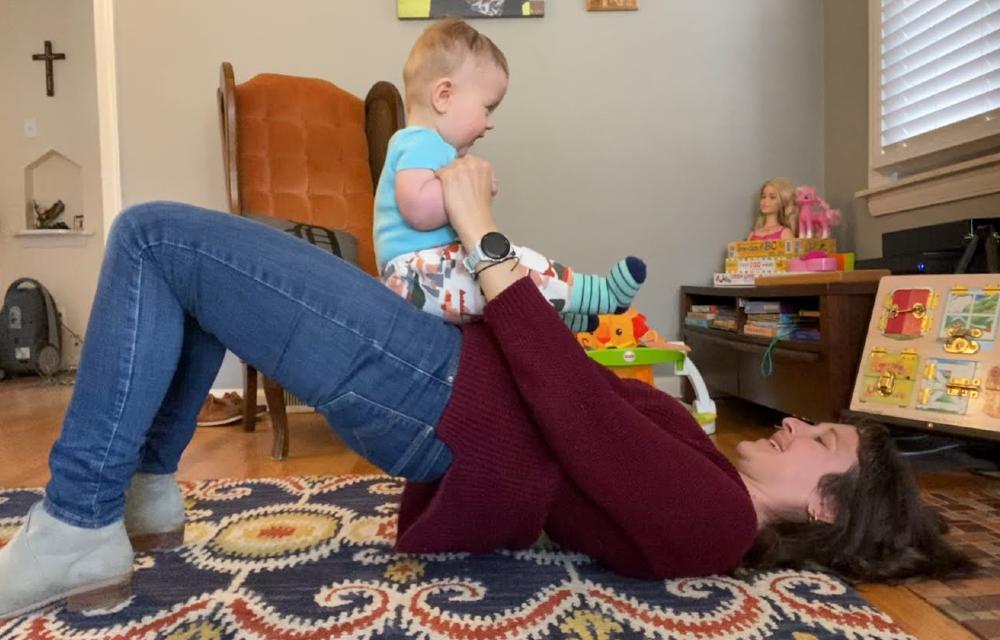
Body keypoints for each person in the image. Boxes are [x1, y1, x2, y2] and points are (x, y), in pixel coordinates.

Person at [0, 157, 972, 620]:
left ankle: (80, 519)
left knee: (153, 237)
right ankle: (146, 495)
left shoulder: (713, 520)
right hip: (438, 376)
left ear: (821, 502)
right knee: (197, 273)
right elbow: (574, 401)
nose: (800, 421)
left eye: (822, 441)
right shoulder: (707, 487)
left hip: (429, 392)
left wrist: (482, 237)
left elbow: (576, 411)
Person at [376, 19, 645, 332]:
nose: (489, 123)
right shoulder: (419, 141)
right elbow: (417, 209)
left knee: (511, 262)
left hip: (431, 269)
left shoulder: (431, 146)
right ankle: (599, 295)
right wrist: (471, 196)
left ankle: (558, 312)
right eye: (487, 109)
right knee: (510, 267)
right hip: (415, 273)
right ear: (444, 96)